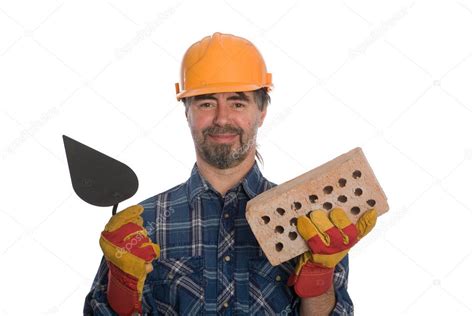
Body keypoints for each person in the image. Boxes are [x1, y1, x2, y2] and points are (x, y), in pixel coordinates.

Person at [84, 32, 376, 315]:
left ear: (261, 112)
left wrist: (319, 279)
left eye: (237, 102)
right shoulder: (140, 225)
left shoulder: (311, 219)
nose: (222, 118)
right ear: (187, 112)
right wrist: (121, 287)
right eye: (207, 103)